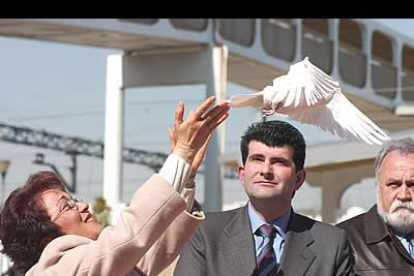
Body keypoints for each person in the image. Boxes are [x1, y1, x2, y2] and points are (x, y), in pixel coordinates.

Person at [0, 96, 230, 276]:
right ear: (45, 238)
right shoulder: (59, 270)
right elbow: (129, 235)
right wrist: (181, 156)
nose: (83, 206)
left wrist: (185, 173)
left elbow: (147, 250)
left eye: (74, 199)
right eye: (67, 205)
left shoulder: (97, 264)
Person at [174, 120, 355, 276]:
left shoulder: (331, 244)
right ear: (242, 174)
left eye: (278, 162)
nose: (266, 170)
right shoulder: (205, 233)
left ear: (299, 179)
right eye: (257, 159)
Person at [337, 137, 414, 276]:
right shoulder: (342, 240)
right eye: (394, 184)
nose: (404, 195)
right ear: (378, 188)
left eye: (412, 185)